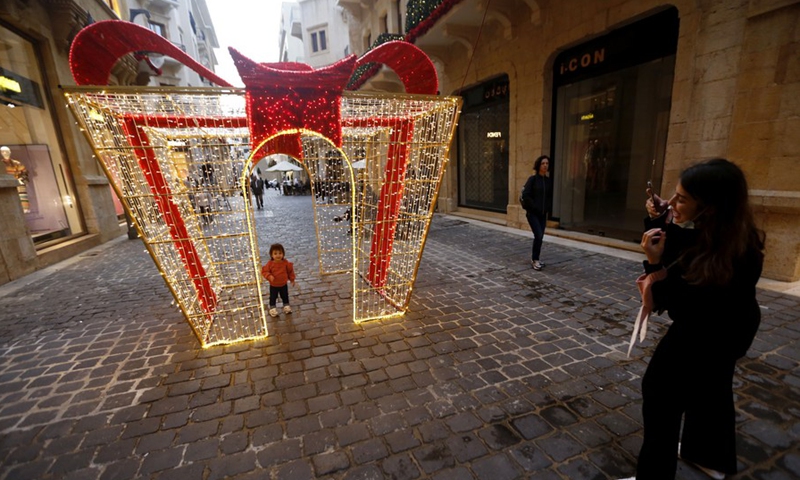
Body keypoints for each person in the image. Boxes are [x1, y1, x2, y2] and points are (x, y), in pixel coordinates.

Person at [622, 159, 765, 480]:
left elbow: (672, 301)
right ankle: (711, 459)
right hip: (733, 333)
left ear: (711, 206)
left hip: (703, 335)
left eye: (682, 198)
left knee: (660, 396)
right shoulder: (737, 237)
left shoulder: (720, 255)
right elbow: (688, 245)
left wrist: (653, 263)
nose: (672, 202)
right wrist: (662, 216)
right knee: (711, 392)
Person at [521, 155, 553, 271]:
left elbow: (549, 197)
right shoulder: (533, 180)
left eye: (547, 164)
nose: (545, 165)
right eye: (543, 163)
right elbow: (526, 195)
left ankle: (536, 258)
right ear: (539, 165)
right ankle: (535, 260)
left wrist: (547, 208)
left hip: (543, 214)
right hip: (533, 213)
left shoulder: (549, 181)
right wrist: (534, 207)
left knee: (540, 237)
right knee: (538, 235)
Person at [261, 243, 296, 318]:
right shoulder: (270, 264)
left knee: (285, 295)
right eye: (275, 253)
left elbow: (290, 271)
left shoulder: (285, 263)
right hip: (274, 285)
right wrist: (269, 276)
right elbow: (264, 271)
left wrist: (292, 279)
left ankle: (286, 306)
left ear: (283, 254)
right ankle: (272, 308)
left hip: (283, 284)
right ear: (271, 255)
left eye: (280, 253)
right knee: (273, 297)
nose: (278, 255)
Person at [1, 146, 30, 213]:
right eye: (3, 152)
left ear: (10, 152)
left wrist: (20, 179)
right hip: (6, 184)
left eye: (6, 151)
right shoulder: (1, 164)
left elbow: (24, 173)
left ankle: (24, 209)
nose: (5, 153)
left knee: (21, 188)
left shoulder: (16, 163)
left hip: (17, 182)